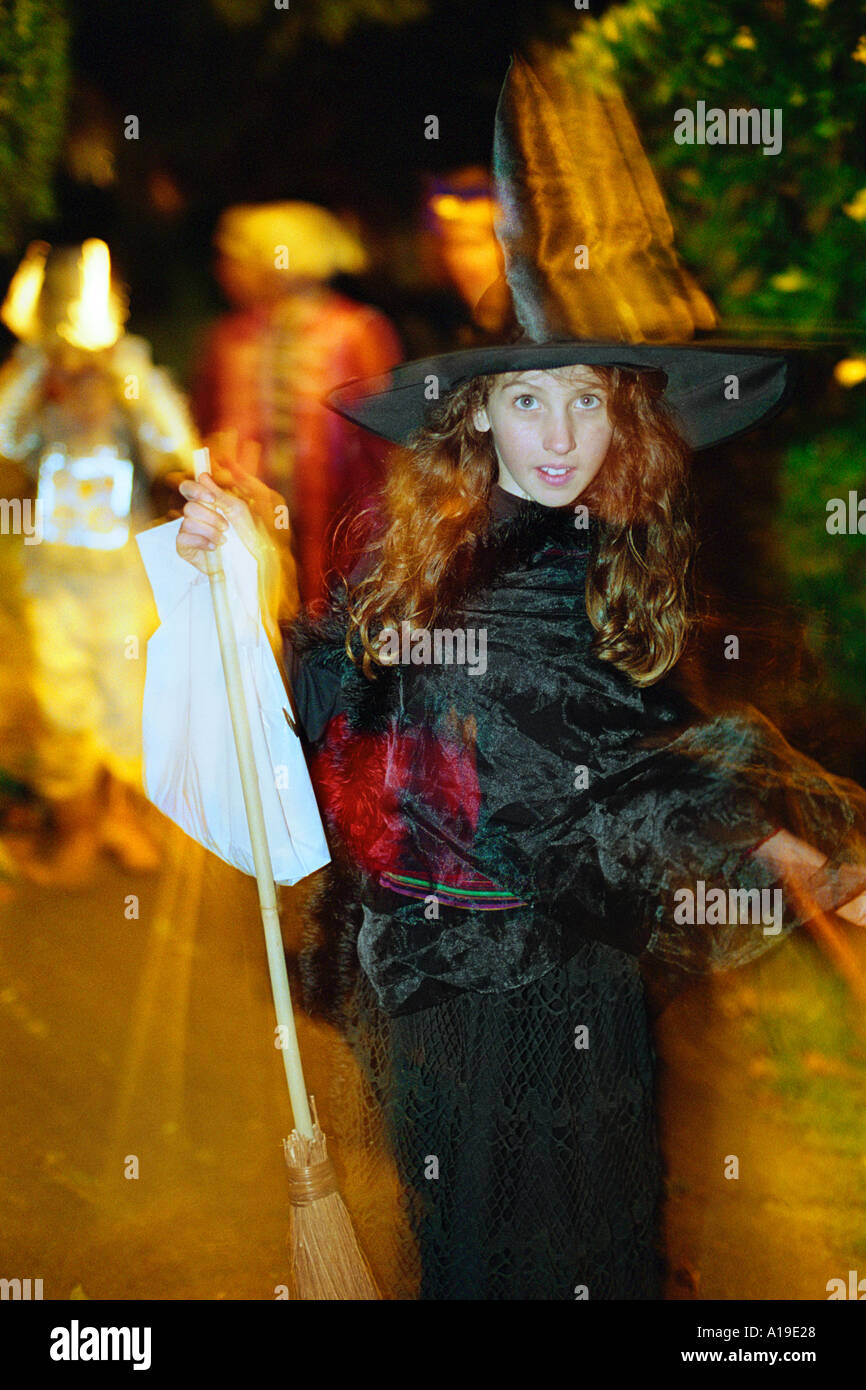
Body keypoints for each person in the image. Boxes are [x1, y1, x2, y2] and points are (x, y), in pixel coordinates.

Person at [170, 54, 866, 1299]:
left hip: (548, 994)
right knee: (484, 1256)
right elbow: (337, 705)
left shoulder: (591, 558)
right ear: (478, 414)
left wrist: (786, 841)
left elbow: (622, 769)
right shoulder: (426, 542)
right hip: (431, 992)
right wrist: (256, 565)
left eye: (588, 403)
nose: (558, 436)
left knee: (560, 1256)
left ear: (624, 421)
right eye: (529, 400)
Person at [0, 239, 197, 882]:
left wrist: (123, 377)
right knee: (61, 698)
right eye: (71, 369)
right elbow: (5, 438)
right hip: (52, 578)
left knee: (126, 697)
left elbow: (176, 445)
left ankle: (121, 817)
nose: (82, 380)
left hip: (121, 578)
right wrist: (36, 371)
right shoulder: (34, 395)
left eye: (93, 370)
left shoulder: (130, 388)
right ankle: (75, 828)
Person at [192, 201, 402, 606]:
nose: (226, 271)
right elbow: (207, 426)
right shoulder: (229, 337)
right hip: (250, 525)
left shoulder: (355, 331)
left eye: (239, 259)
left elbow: (386, 439)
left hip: (345, 526)